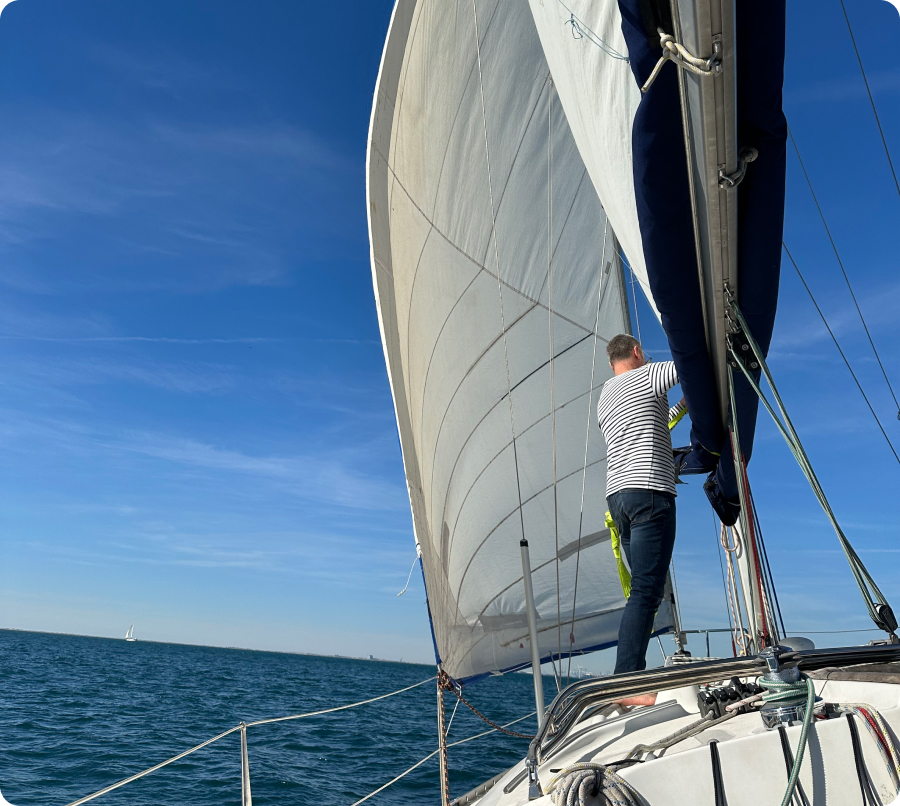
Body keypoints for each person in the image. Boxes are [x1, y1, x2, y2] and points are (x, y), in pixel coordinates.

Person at [597, 333, 685, 676]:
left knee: (640, 592)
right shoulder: (648, 375)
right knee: (646, 593)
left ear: (610, 363)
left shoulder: (606, 396)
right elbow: (690, 366)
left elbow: (647, 426)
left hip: (618, 499)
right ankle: (627, 679)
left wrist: (684, 408)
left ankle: (629, 674)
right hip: (649, 493)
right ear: (637, 352)